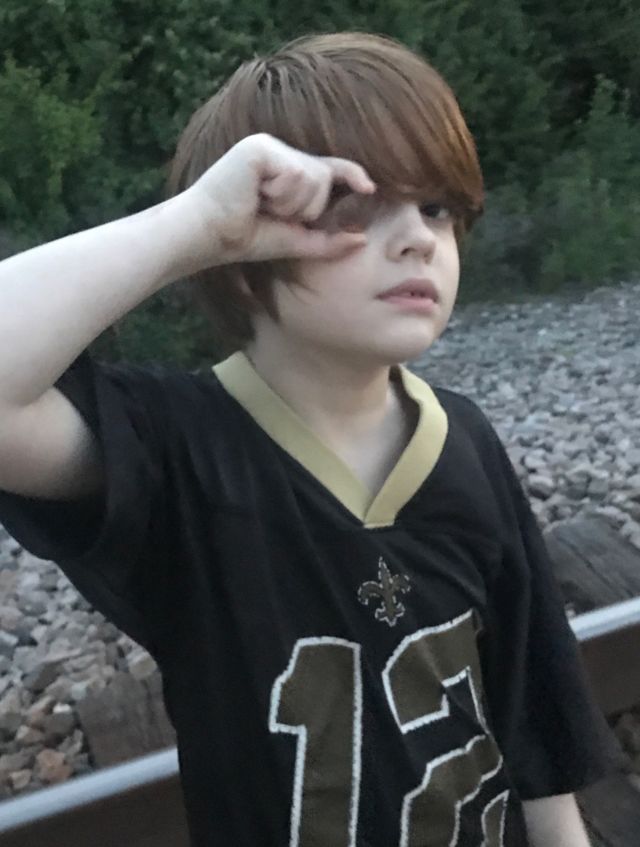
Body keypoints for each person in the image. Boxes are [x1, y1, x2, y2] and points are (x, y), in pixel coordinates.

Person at [0, 31, 624, 847]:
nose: (418, 237)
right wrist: (197, 226)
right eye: (355, 205)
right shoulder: (176, 448)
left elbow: (532, 709)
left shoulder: (465, 439)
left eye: (436, 207)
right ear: (248, 246)